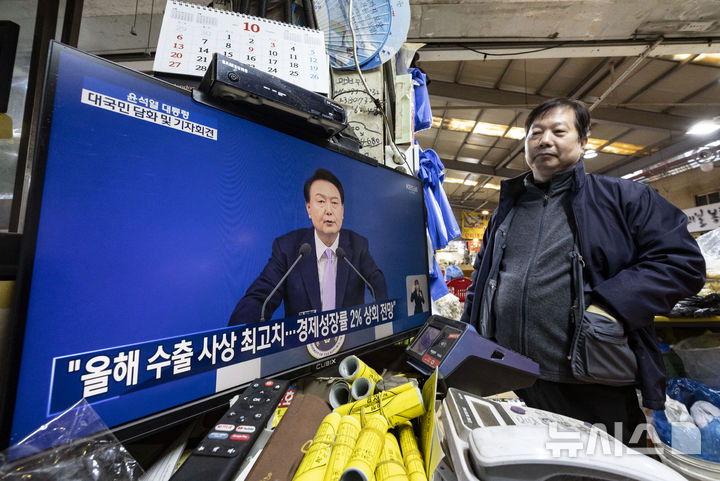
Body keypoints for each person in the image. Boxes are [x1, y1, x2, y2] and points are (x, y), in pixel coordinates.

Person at [461, 97, 706, 445]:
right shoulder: (506, 211)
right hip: (514, 383)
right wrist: (468, 346)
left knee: (605, 468)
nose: (545, 140)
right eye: (535, 133)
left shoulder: (625, 198)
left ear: (583, 141)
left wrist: (610, 305)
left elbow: (682, 262)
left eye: (558, 131)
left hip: (594, 386)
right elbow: (481, 283)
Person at [228, 168, 387, 325]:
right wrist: (237, 335)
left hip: (352, 344)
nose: (329, 210)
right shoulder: (288, 248)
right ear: (309, 209)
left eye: (334, 203)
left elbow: (376, 282)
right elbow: (260, 297)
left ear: (342, 210)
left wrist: (382, 325)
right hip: (301, 347)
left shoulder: (358, 245)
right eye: (321, 202)